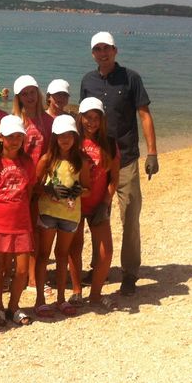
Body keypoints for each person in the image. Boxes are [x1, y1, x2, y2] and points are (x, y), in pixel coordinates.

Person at [80, 31, 158, 296]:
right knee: (98, 217)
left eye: (107, 48)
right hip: (96, 161)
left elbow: (144, 115)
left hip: (125, 158)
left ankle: (130, 272)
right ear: (93, 53)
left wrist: (153, 153)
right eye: (98, 49)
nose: (103, 53)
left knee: (130, 216)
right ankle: (98, 266)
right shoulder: (87, 81)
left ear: (116, 50)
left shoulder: (131, 78)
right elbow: (83, 120)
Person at [0, 115, 36, 327]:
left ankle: (14, 306)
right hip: (0, 223)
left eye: (19, 137)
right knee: (0, 266)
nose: (15, 141)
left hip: (21, 223)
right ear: (1, 137)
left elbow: (29, 193)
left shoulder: (27, 162)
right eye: (10, 136)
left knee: (21, 269)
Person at [34, 114, 90, 318]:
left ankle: (60, 299)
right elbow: (35, 187)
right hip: (48, 212)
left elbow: (88, 189)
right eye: (60, 135)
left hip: (70, 214)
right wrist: (50, 190)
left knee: (62, 256)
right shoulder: (47, 160)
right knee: (43, 255)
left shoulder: (80, 162)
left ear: (75, 137)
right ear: (54, 137)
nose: (65, 139)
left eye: (69, 135)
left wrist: (74, 192)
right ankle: (40, 299)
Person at [72, 98, 120, 310]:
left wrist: (106, 202)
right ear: (80, 118)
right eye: (87, 118)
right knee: (75, 247)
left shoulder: (109, 143)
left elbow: (114, 178)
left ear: (102, 120)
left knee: (106, 252)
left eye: (96, 118)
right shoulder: (73, 141)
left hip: (99, 204)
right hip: (76, 204)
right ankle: (76, 292)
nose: (91, 122)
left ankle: (95, 294)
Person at [11, 75, 53, 293]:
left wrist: (44, 180)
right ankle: (20, 274)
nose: (29, 97)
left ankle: (34, 277)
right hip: (20, 184)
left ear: (38, 93)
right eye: (24, 94)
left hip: (42, 184)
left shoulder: (48, 121)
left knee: (37, 229)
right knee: (20, 229)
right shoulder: (15, 122)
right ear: (18, 97)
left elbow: (52, 154)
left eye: (32, 92)